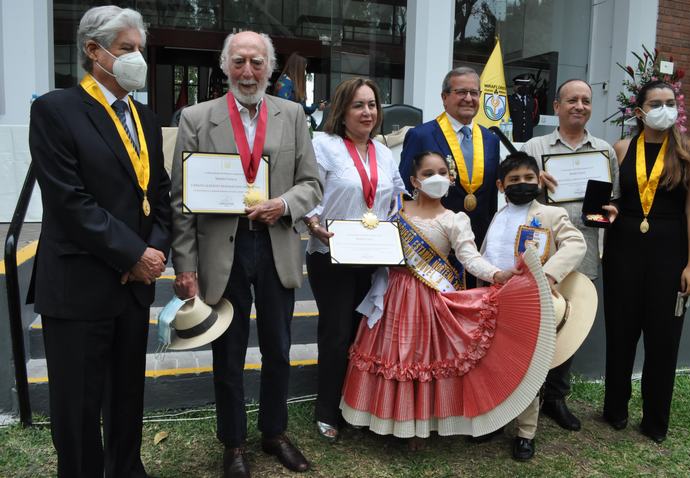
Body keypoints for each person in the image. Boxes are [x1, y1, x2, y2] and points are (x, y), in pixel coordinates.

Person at [28, 6, 171, 477]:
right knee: (79, 406)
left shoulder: (145, 117)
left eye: (140, 49)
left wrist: (155, 250)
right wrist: (133, 254)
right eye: (127, 49)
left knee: (127, 395)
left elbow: (159, 193)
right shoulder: (56, 111)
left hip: (132, 287)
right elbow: (70, 201)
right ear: (94, 51)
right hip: (80, 283)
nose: (137, 59)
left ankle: (127, 468)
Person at [171, 31, 322, 477]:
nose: (248, 71)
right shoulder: (196, 118)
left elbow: (312, 184)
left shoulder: (292, 115)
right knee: (228, 352)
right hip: (224, 250)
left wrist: (284, 205)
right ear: (225, 66)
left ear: (270, 68)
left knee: (279, 348)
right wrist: (185, 266)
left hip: (275, 244)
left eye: (257, 62)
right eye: (239, 61)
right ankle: (233, 442)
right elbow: (182, 200)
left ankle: (274, 432)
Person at [340, 151, 557, 447]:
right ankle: (381, 416)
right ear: (414, 180)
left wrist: (497, 274)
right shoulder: (394, 209)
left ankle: (416, 424)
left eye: (442, 172)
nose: (437, 178)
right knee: (391, 355)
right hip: (391, 293)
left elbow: (470, 258)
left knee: (420, 359)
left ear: (451, 179)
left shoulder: (454, 220)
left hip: (428, 299)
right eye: (428, 174)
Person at [601, 80, 690, 443]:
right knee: (620, 333)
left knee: (663, 339)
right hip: (623, 252)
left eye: (670, 102)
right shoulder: (621, 148)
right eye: (656, 103)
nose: (665, 109)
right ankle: (615, 409)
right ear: (639, 111)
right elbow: (611, 198)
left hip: (669, 254)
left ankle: (655, 420)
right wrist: (608, 210)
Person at [303, 78, 406, 441]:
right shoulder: (324, 145)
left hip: (373, 254)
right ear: (342, 110)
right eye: (358, 105)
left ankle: (357, 405)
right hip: (332, 252)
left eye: (372, 105)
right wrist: (312, 223)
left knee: (365, 332)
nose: (367, 112)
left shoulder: (383, 151)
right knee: (336, 333)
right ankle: (327, 409)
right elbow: (310, 191)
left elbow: (396, 194)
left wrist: (396, 220)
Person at [521, 79, 620, 431]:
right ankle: (526, 394)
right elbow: (513, 194)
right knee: (534, 327)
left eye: (586, 100)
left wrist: (612, 212)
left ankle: (556, 397)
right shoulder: (534, 147)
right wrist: (533, 183)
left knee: (570, 325)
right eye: (572, 100)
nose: (579, 106)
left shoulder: (604, 151)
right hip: (542, 254)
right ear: (557, 106)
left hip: (584, 253)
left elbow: (612, 200)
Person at [480, 151, 587, 460]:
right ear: (501, 186)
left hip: (529, 303)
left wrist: (549, 276)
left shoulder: (551, 214)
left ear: (539, 181)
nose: (522, 183)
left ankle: (525, 432)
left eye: (529, 178)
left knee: (527, 369)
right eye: (514, 179)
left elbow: (576, 243)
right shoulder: (498, 215)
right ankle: (497, 420)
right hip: (494, 299)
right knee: (494, 365)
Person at [399, 67, 501, 251]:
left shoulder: (491, 139)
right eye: (461, 92)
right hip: (433, 244)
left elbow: (491, 198)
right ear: (444, 97)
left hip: (478, 241)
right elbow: (405, 190)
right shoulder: (421, 135)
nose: (468, 98)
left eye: (474, 93)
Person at [274, 52, 325, 126]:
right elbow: (287, 106)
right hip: (286, 125)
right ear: (298, 68)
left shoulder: (288, 81)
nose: (305, 72)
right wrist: (315, 106)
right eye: (304, 68)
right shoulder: (286, 82)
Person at [508, 74, 539, 142]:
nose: (524, 88)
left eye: (526, 86)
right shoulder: (509, 100)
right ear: (515, 87)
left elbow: (536, 120)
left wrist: (528, 127)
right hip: (513, 137)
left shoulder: (532, 101)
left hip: (527, 137)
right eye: (521, 86)